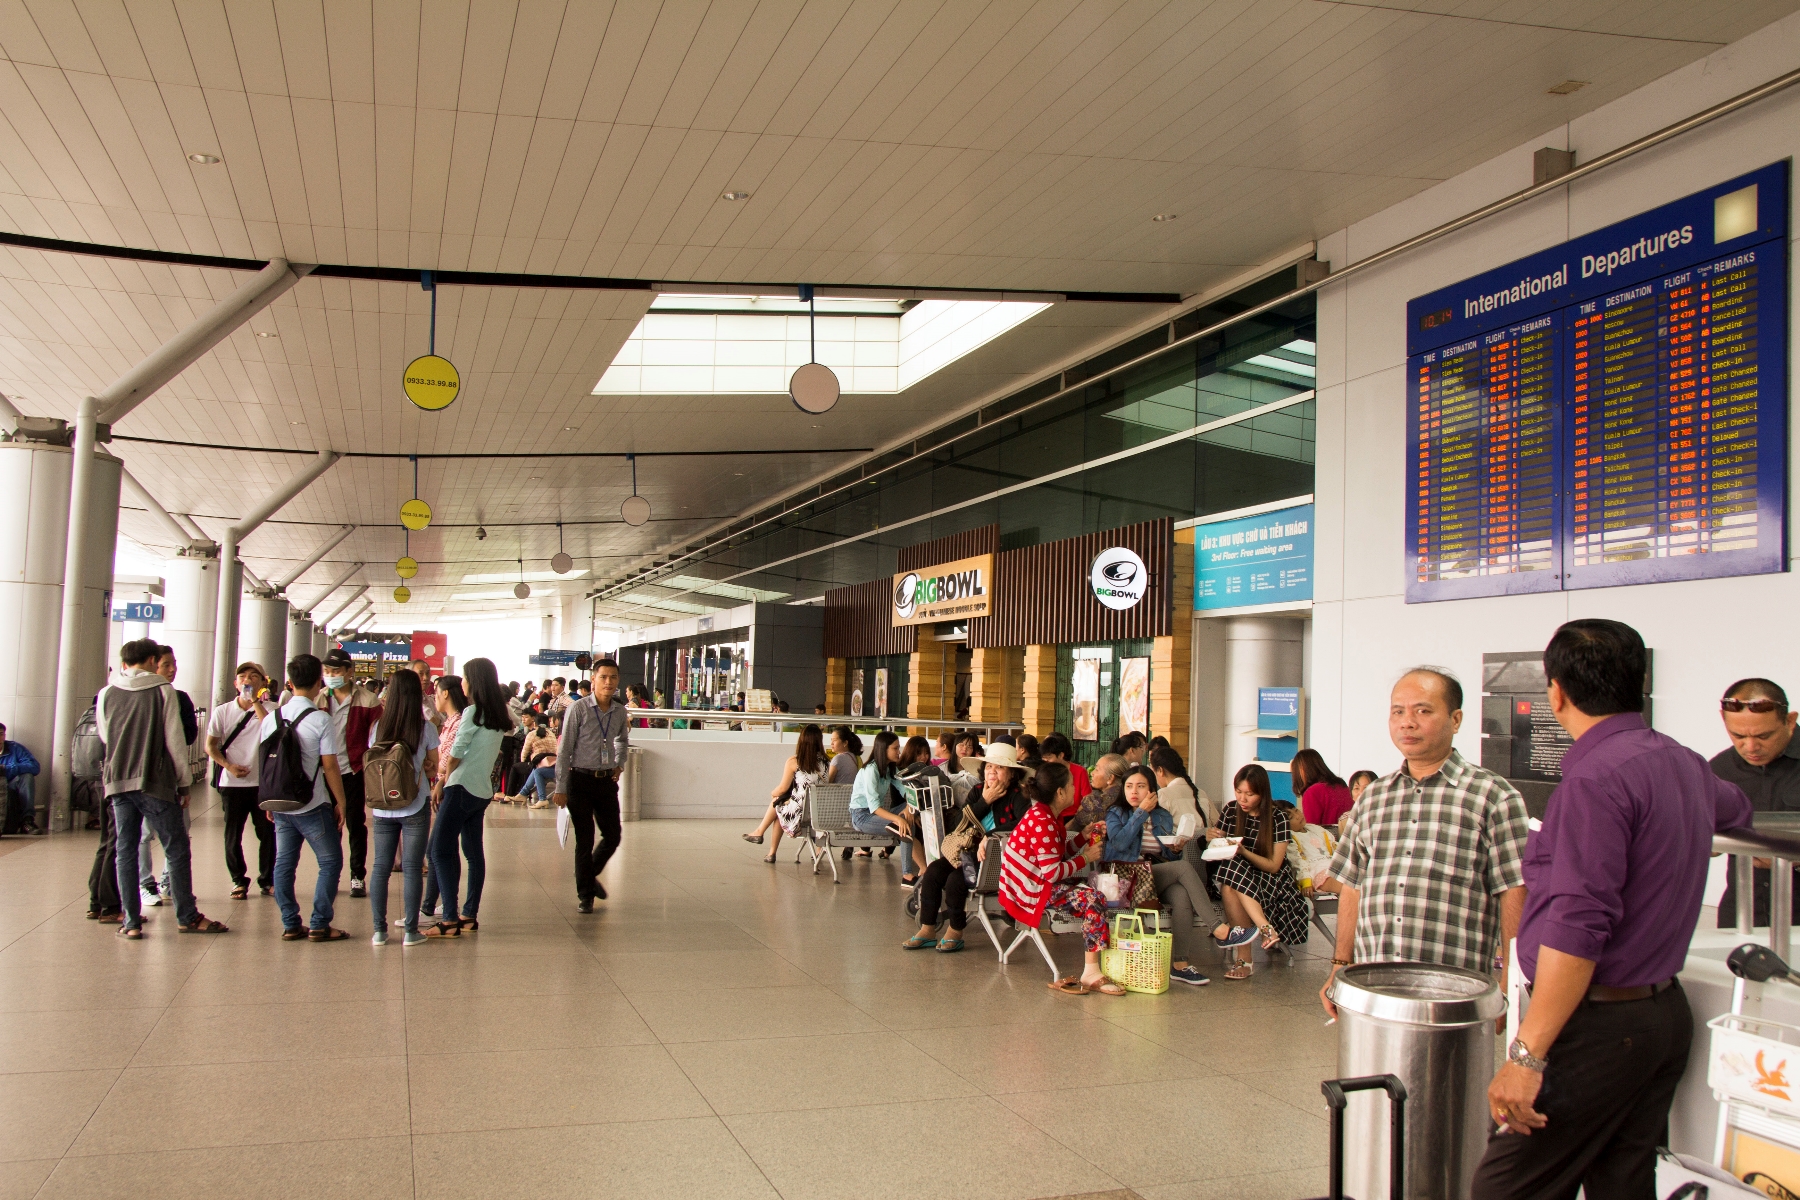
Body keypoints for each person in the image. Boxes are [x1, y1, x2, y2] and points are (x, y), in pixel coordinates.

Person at [1473, 620, 1753, 1200]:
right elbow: (1736, 809)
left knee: (1506, 1188)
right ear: (1638, 683)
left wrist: (1528, 1054)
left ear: (1555, 692)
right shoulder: (1681, 762)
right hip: (1659, 1019)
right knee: (1621, 1183)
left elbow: (1579, 926)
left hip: (1597, 1029)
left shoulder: (1595, 779)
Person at [1321, 668, 1530, 1015]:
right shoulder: (1372, 798)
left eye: (1423, 711)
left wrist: (1511, 977)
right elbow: (1353, 886)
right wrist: (1339, 965)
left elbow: (1514, 890)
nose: (1407, 723)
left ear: (1456, 719)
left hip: (1454, 993)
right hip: (1373, 989)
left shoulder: (1493, 796)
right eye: (1398, 712)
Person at [98, 639, 228, 938]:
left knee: (125, 851)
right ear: (153, 659)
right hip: (154, 781)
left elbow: (107, 737)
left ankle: (131, 922)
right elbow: (175, 741)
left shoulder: (107, 693)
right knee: (176, 848)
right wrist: (183, 784)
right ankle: (187, 916)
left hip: (117, 780)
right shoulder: (161, 691)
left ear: (125, 661)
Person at [999, 760, 1120, 995]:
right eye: (1072, 785)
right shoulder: (1043, 821)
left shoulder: (1047, 816)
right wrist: (1085, 858)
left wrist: (1083, 837)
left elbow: (1057, 855)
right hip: (1031, 891)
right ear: (1060, 792)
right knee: (1093, 898)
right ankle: (1091, 972)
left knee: (1091, 892)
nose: (1076, 789)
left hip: (1035, 884)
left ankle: (1094, 965)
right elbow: (1052, 872)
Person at [904, 741, 1030, 952]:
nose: (992, 772)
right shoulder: (978, 791)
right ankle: (927, 928)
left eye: (999, 768)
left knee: (955, 880)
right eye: (989, 766)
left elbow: (1023, 824)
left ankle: (956, 930)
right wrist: (984, 802)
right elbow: (957, 824)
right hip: (966, 852)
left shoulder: (1018, 796)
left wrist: (989, 837)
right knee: (933, 871)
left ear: (1011, 774)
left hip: (996, 860)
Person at [263, 653, 349, 941]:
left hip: (280, 804)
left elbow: (264, 762)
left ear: (290, 681)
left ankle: (290, 923)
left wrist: (267, 799)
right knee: (330, 862)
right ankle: (319, 923)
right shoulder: (320, 719)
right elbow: (329, 765)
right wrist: (341, 801)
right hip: (312, 804)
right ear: (318, 682)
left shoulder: (272, 716)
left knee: (284, 863)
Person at [424, 658, 511, 936]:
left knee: (439, 849)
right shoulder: (499, 715)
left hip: (460, 789)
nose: (462, 683)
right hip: (481, 791)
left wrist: (444, 780)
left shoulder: (473, 712)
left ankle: (449, 919)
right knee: (474, 855)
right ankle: (469, 915)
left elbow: (455, 753)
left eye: (464, 677)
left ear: (473, 680)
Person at [1710, 677, 1800, 927]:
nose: (1750, 747)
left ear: (1790, 721)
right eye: (1737, 735)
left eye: (1764, 735)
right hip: (1740, 917)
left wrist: (1793, 859)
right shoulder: (1719, 769)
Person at [1205, 764, 1309, 977]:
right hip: (1234, 875)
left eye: (1249, 794)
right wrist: (1211, 839)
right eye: (1239, 792)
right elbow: (1219, 850)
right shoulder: (1231, 810)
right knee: (1231, 872)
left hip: (1270, 880)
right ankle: (1264, 928)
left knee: (1230, 882)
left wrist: (1242, 851)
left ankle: (1244, 961)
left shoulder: (1278, 818)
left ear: (1262, 793)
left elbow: (1274, 866)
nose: (1242, 799)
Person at [365, 668, 439, 946]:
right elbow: (433, 767)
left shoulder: (377, 727)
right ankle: (410, 931)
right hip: (414, 803)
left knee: (380, 867)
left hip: (382, 805)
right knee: (411, 867)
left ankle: (379, 931)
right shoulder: (425, 728)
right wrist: (424, 765)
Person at [552, 659, 629, 913]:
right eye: (604, 677)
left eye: (613, 677)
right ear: (593, 679)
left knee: (613, 835)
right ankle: (585, 895)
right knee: (584, 839)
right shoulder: (578, 709)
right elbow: (564, 750)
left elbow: (622, 740)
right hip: (580, 781)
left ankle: (588, 876)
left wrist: (619, 763)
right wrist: (561, 787)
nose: (609, 682)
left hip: (606, 781)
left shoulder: (619, 711)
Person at [137, 644, 198, 907]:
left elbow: (188, 736)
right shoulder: (135, 697)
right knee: (143, 833)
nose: (172, 670)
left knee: (179, 832)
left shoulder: (180, 698)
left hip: (170, 775)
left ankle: (168, 880)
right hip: (141, 777)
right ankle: (144, 883)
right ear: (152, 664)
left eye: (174, 664)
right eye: (166, 665)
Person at [319, 648, 383, 898]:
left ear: (348, 672)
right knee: (328, 825)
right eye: (327, 671)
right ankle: (331, 873)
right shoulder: (320, 699)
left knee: (356, 824)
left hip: (353, 770)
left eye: (335, 671)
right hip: (324, 772)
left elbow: (377, 738)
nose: (330, 675)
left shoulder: (368, 700)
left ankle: (357, 875)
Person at [207, 662, 272, 898]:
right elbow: (210, 746)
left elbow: (271, 731)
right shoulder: (222, 711)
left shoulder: (272, 709)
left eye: (253, 676)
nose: (247, 680)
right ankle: (238, 880)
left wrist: (255, 701)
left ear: (262, 683)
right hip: (232, 784)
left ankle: (267, 879)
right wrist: (228, 766)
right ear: (235, 683)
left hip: (262, 784)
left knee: (267, 833)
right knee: (232, 834)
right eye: (242, 676)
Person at [743, 724, 827, 862]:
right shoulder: (827, 762)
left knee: (777, 803)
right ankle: (762, 838)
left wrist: (773, 793)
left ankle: (767, 845)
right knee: (780, 806)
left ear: (802, 740)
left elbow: (782, 788)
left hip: (801, 815)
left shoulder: (795, 761)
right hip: (820, 814)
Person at [1148, 743, 1212, 830]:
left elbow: (1160, 832)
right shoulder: (1201, 793)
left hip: (1177, 843)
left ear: (1160, 770)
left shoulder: (1163, 794)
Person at [1291, 748, 1354, 829]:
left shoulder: (1312, 792)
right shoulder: (1342, 785)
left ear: (1301, 771)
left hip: (1327, 839)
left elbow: (1312, 828)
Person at [0, 721, 39, 835]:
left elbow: (34, 767)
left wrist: (6, 769)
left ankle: (27, 821)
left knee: (27, 777)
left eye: (1, 734)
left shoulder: (15, 748)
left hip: (10, 785)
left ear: (4, 735)